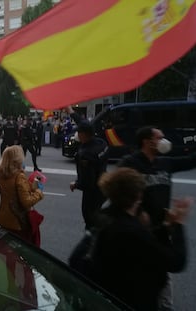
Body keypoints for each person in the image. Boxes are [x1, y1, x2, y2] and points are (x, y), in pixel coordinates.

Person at [118, 126, 196, 310]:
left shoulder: (165, 163)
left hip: (161, 231)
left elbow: (192, 160)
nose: (164, 141)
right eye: (159, 137)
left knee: (163, 287)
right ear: (147, 141)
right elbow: (116, 191)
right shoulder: (130, 163)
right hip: (137, 232)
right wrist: (136, 214)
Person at [91, 167, 190, 311]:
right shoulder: (130, 230)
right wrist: (178, 224)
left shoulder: (105, 216)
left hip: (108, 294)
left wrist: (165, 227)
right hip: (132, 300)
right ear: (138, 195)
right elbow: (176, 262)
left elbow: (141, 245)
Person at [66, 106, 108, 230]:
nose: (77, 134)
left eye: (78, 132)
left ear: (83, 134)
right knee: (97, 215)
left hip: (92, 193)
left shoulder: (85, 155)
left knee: (90, 219)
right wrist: (71, 112)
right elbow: (85, 125)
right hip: (103, 187)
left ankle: (92, 239)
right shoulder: (101, 143)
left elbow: (87, 180)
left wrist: (76, 184)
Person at [0, 145, 44, 244]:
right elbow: (26, 202)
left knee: (8, 249)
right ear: (17, 160)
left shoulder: (2, 174)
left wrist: (29, 185)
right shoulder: (19, 176)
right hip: (17, 221)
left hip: (4, 218)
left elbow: (12, 192)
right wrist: (39, 192)